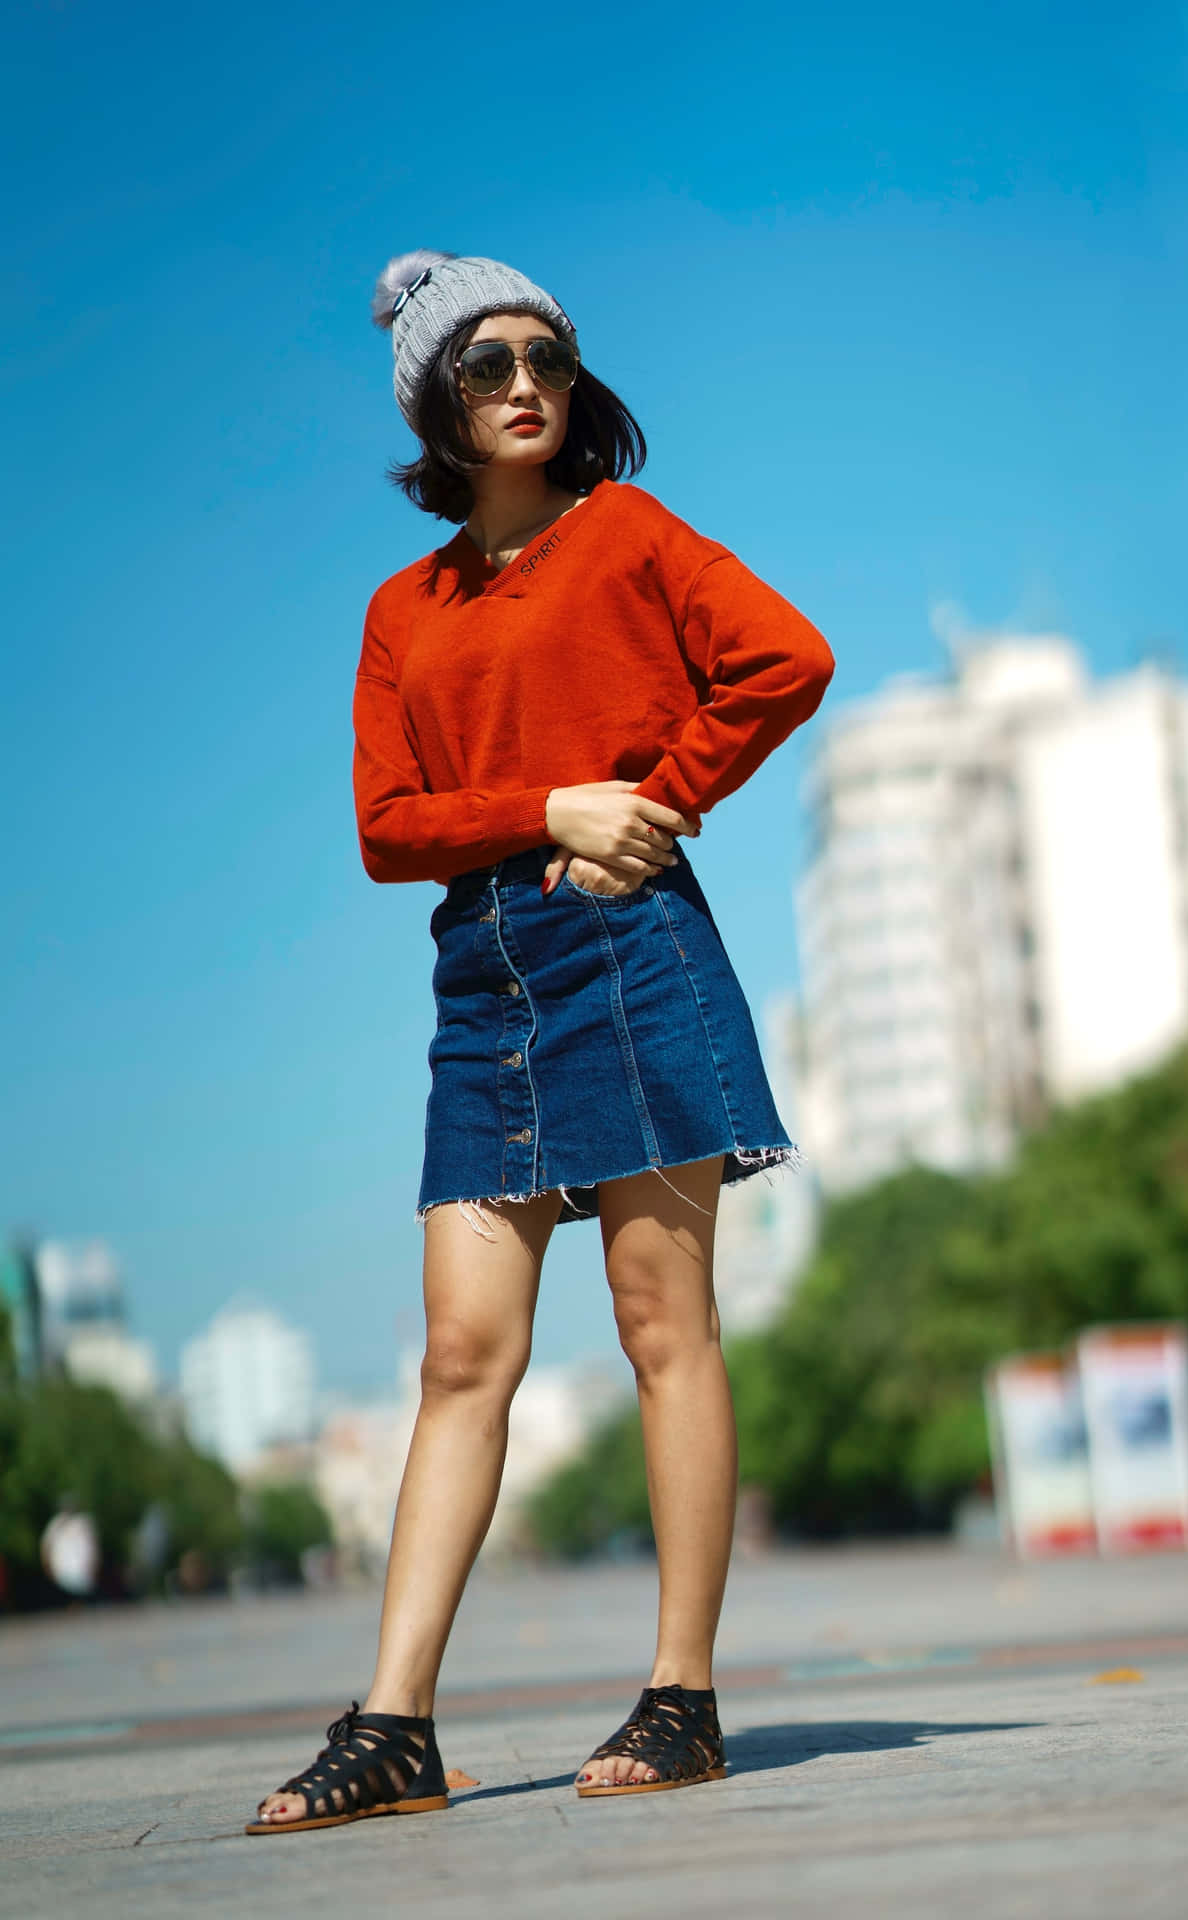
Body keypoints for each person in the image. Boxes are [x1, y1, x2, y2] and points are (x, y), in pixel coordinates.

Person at [248, 248, 833, 1835]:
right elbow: (389, 827)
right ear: (437, 397)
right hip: (484, 978)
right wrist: (549, 804)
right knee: (459, 1352)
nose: (525, 384)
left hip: (633, 947)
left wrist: (658, 800)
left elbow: (789, 660)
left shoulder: (627, 537)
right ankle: (394, 1726)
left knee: (663, 1327)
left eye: (550, 359)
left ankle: (684, 1698)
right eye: (490, 363)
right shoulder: (401, 611)